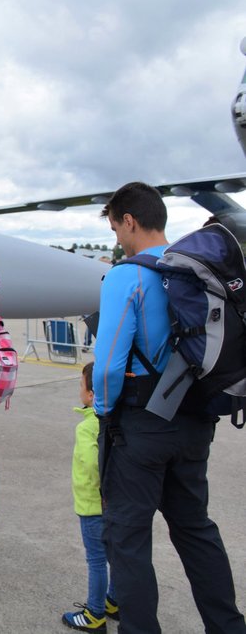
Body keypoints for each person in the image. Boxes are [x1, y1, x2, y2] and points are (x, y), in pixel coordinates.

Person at [93, 181, 246, 632]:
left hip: (140, 427)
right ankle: (228, 626)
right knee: (195, 528)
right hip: (197, 420)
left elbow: (108, 368)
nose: (117, 239)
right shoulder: (197, 271)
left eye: (117, 228)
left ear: (129, 220)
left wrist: (103, 411)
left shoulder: (127, 275)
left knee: (129, 537)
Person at [62, 362, 118, 631]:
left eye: (81, 386)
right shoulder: (116, 420)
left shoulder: (87, 427)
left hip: (92, 504)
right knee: (115, 554)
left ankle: (95, 612)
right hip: (116, 503)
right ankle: (114, 600)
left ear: (93, 395)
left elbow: (91, 465)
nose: (79, 390)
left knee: (96, 559)